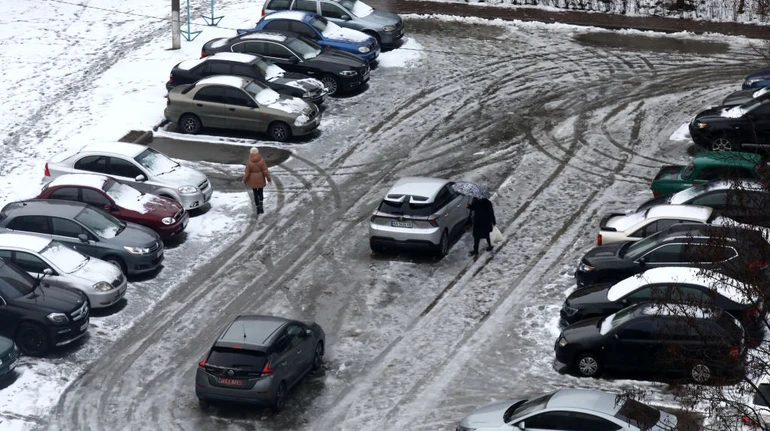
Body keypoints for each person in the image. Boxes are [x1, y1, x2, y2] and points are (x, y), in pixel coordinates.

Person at [242, 147, 272, 214]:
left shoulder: (249, 161)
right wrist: (269, 179)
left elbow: (247, 172)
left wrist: (244, 180)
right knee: (260, 192)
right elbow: (265, 171)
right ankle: (261, 205)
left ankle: (258, 208)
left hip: (252, 180)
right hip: (261, 179)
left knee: (255, 194)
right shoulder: (261, 160)